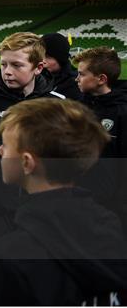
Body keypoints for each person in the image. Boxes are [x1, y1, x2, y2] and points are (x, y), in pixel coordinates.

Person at [0, 98, 127, 305]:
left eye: (6, 145)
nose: (0, 151)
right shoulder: (111, 226)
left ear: (26, 162)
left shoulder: (8, 256)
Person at [0, 31, 65, 242]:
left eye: (17, 65)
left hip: (42, 205)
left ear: (38, 67)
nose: (7, 72)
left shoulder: (58, 105)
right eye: (4, 64)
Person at [72, 46, 127, 236]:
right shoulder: (77, 108)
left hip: (113, 206)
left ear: (101, 79)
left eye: (81, 74)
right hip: (79, 197)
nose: (76, 78)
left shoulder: (122, 112)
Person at [42, 32, 82, 100]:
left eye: (48, 57)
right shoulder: (37, 76)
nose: (42, 61)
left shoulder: (76, 83)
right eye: (40, 55)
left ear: (60, 59)